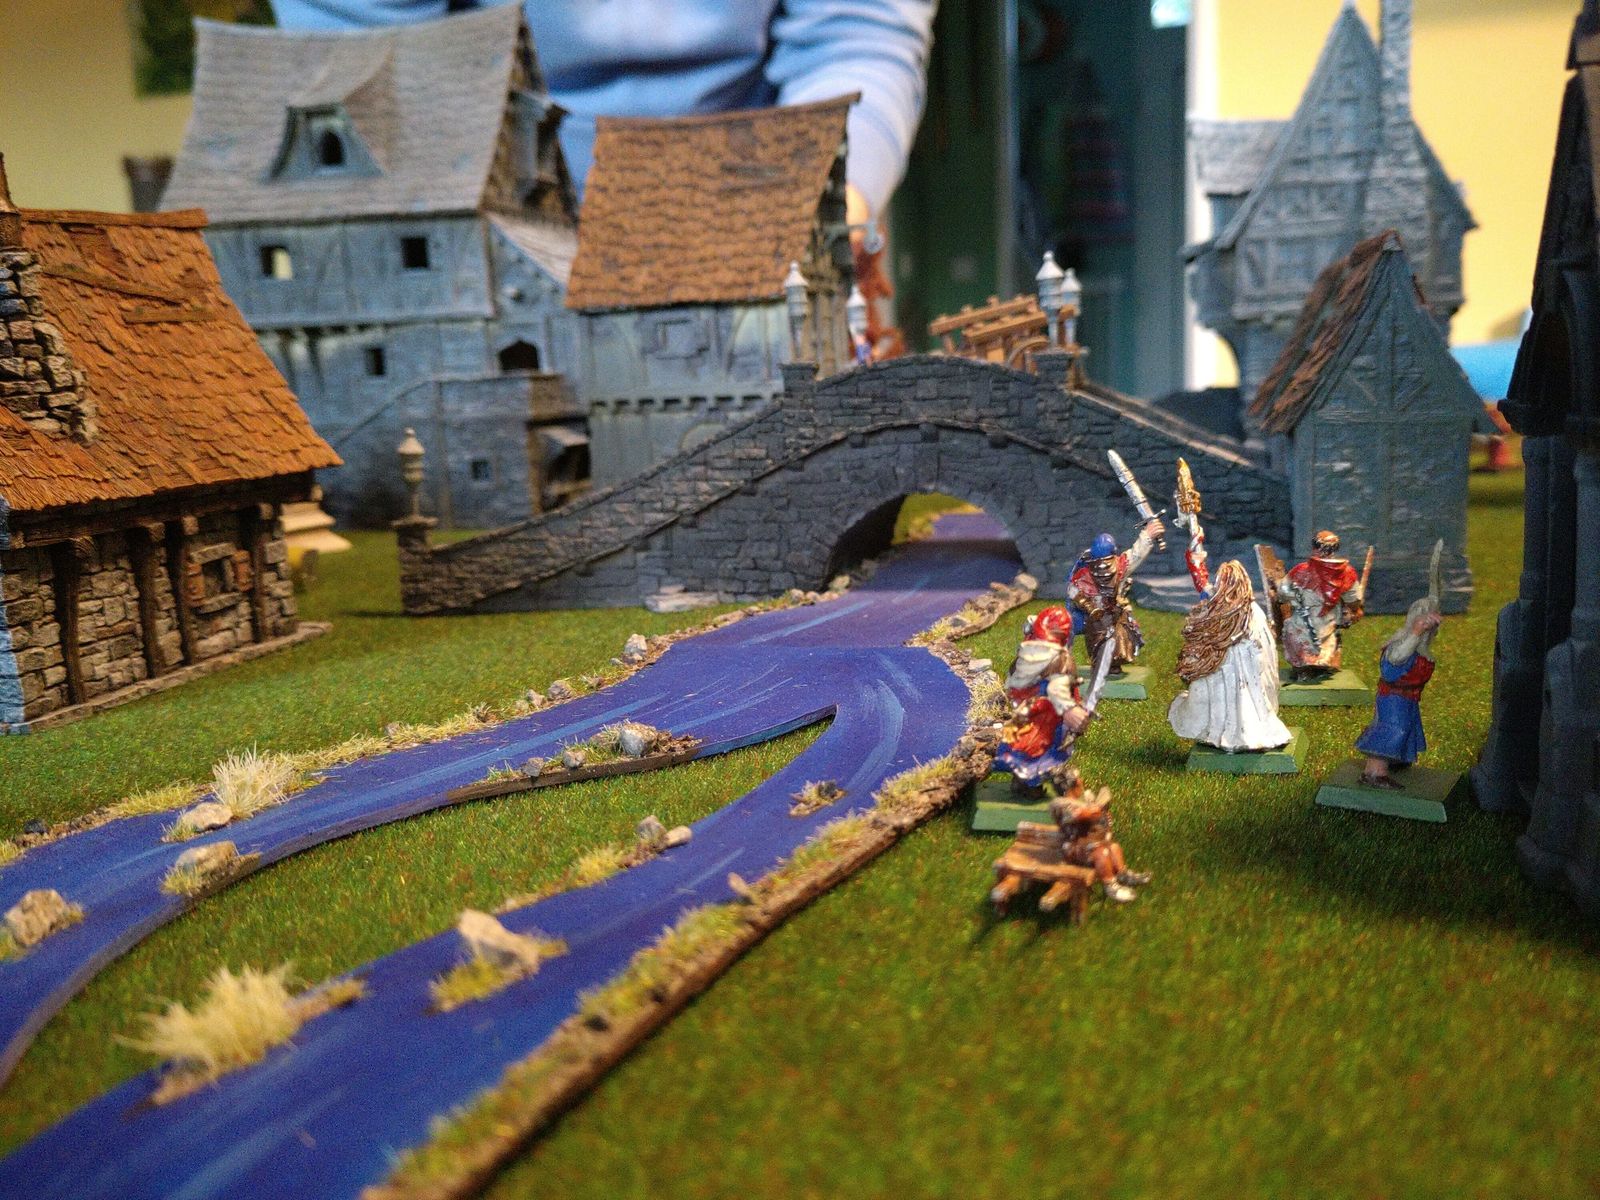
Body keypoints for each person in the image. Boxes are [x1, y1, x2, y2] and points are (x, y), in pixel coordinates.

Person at [266, 0, 936, 234]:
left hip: (765, 198)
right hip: (494, 210)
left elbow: (855, 35)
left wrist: (827, 212)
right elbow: (376, 63)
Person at [1168, 559, 1292, 753]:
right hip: (1226, 671)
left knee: (1243, 702)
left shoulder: (1237, 612)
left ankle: (1238, 735)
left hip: (1240, 673)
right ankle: (1222, 732)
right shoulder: (1245, 611)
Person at [993, 604, 1092, 795]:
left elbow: (1012, 681)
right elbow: (1057, 688)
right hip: (1046, 714)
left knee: (1024, 744)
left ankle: (1022, 782)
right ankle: (1030, 784)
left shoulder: (1027, 650)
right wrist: (1070, 709)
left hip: (1026, 710)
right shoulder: (1059, 658)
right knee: (1040, 749)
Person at [1355, 596, 1444, 788]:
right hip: (1393, 697)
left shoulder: (1421, 649)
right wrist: (1416, 632)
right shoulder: (1403, 644)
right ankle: (1374, 772)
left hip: (1409, 698)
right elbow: (1396, 658)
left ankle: (1394, 760)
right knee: (1394, 729)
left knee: (1408, 728)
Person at [1066, 520, 1164, 676]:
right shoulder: (1092, 571)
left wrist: (1147, 535)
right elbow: (1135, 554)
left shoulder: (1117, 565)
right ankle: (1099, 665)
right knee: (1098, 640)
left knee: (1119, 639)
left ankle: (1111, 665)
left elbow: (1136, 554)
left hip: (1113, 613)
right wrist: (1147, 535)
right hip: (1094, 615)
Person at [1049, 774, 1149, 904]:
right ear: (1071, 787)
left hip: (1088, 843)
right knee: (1101, 853)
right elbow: (1077, 815)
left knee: (1114, 847)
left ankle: (1122, 874)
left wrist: (1102, 815)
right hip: (1073, 847)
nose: (1082, 786)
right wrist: (1094, 810)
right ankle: (1110, 885)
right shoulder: (1060, 805)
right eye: (1079, 784)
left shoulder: (1082, 800)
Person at [1277, 530, 1364, 680]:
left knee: (1293, 628)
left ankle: (1307, 666)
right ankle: (1319, 665)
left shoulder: (1300, 571)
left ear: (1314, 547)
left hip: (1303, 629)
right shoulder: (1347, 573)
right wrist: (1354, 611)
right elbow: (1354, 601)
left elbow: (1282, 593)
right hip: (1327, 628)